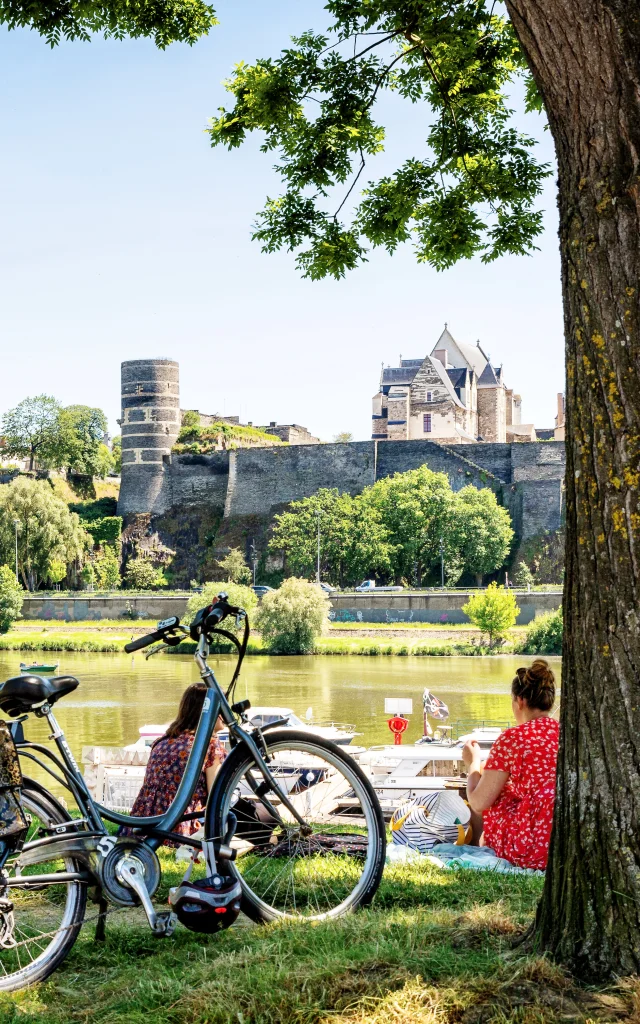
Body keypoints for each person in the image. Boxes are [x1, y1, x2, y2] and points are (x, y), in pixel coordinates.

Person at [462, 658, 559, 870]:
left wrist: (473, 763)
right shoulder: (563, 732)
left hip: (533, 847)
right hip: (563, 842)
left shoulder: (513, 738)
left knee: (500, 792)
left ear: (520, 701)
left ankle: (485, 842)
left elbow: (479, 803)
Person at [127, 683, 226, 839]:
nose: (226, 714)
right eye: (223, 707)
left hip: (142, 824)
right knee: (260, 815)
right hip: (181, 826)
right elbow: (218, 797)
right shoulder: (210, 746)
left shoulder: (162, 741)